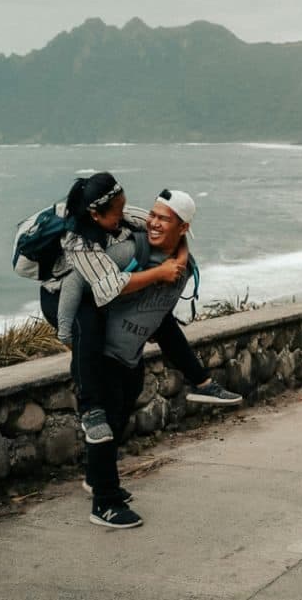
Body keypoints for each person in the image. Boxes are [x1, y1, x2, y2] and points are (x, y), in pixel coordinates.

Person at [71, 188, 242, 529]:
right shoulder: (127, 248)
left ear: (183, 227)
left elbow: (159, 317)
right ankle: (103, 503)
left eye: (164, 218)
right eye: (152, 214)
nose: (153, 222)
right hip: (98, 354)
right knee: (102, 422)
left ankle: (98, 481)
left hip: (129, 357)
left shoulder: (179, 261)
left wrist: (178, 259)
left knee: (116, 423)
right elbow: (85, 289)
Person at [39, 172, 188, 445]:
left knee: (159, 328)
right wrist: (160, 273)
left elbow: (172, 233)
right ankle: (90, 410)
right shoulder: (78, 242)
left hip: (96, 287)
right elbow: (110, 287)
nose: (124, 214)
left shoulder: (120, 213)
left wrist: (180, 258)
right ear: (96, 215)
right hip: (62, 292)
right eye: (117, 212)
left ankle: (200, 380)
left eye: (124, 205)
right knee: (88, 333)